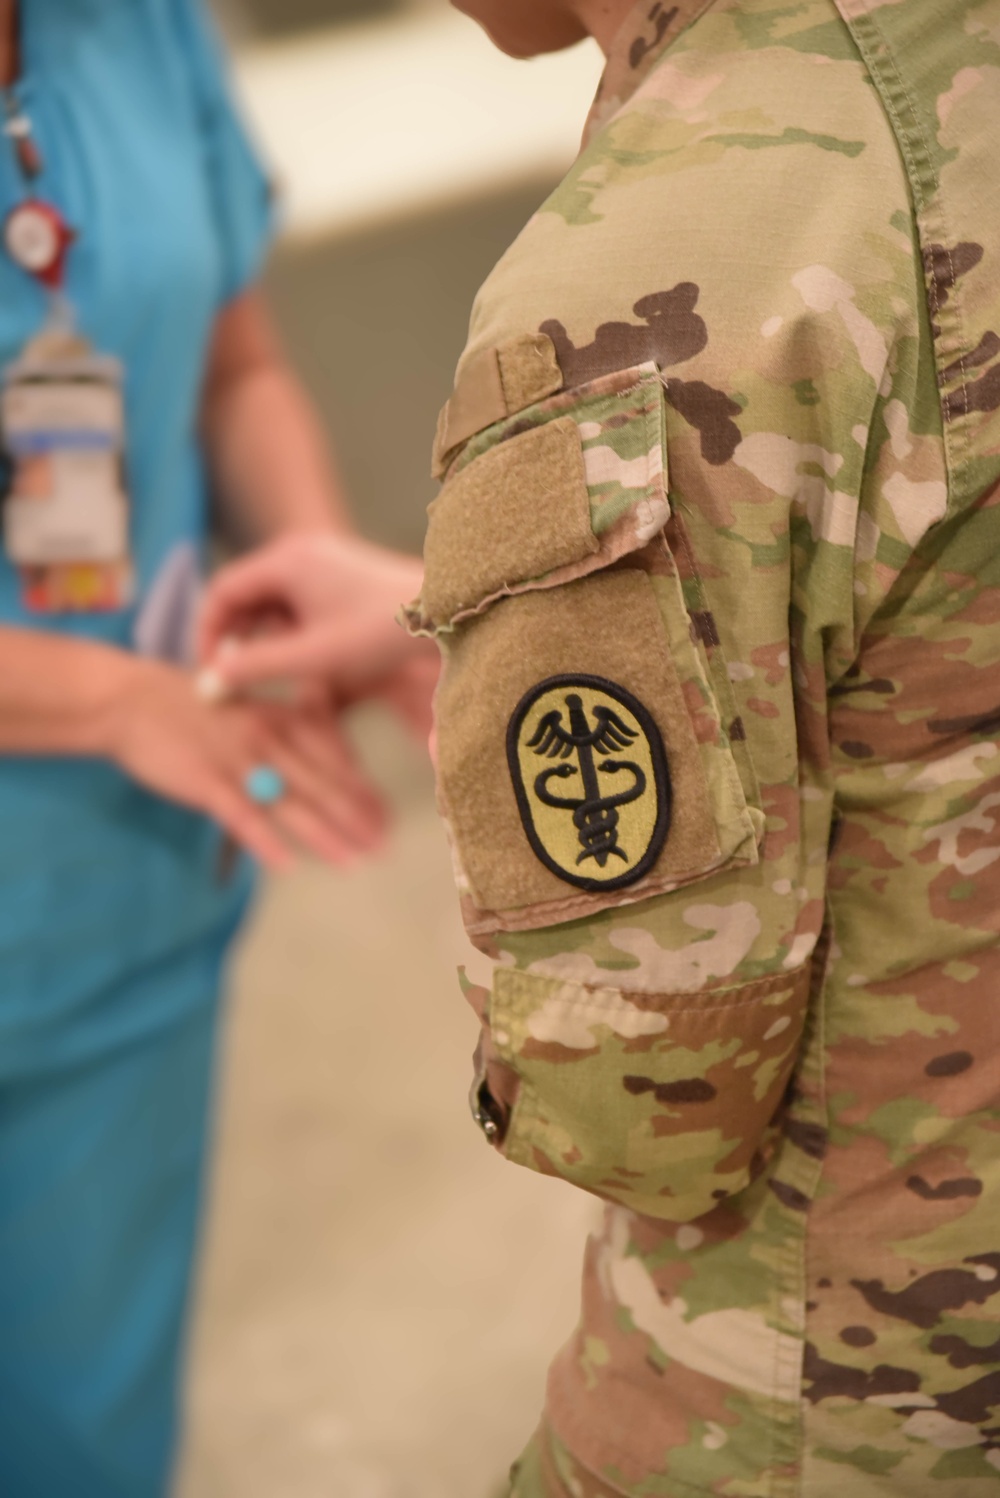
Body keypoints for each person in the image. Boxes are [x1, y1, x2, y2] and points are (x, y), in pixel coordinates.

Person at [200, 0, 1000, 1491]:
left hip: (858, 1383)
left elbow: (648, 1096)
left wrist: (527, 702)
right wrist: (496, 608)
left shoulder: (662, 262)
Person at [0, 1, 394, 1492]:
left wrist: (305, 578)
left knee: (81, 1436)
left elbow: (232, 361)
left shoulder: (131, 25)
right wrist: (108, 701)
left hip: (124, 896)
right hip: (130, 759)